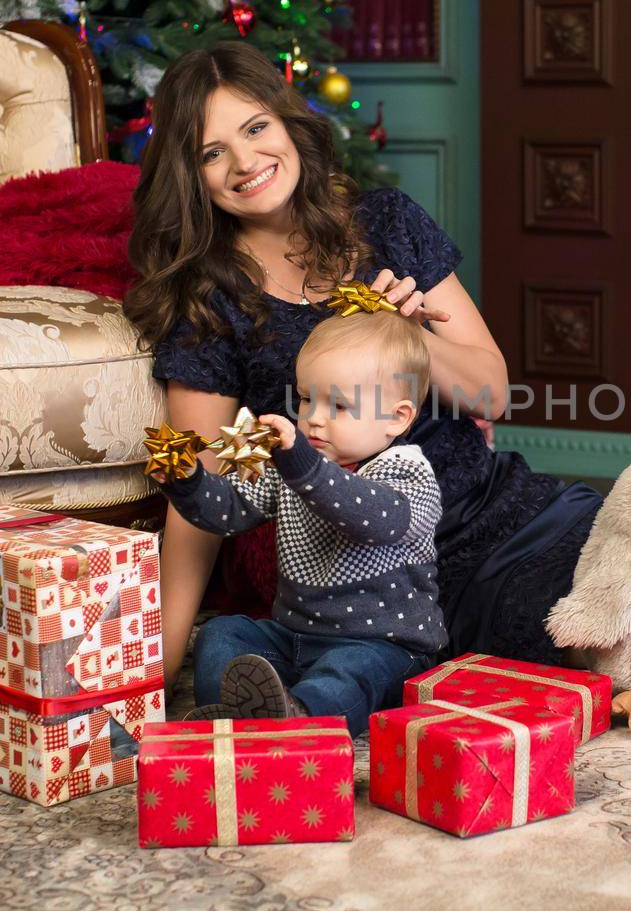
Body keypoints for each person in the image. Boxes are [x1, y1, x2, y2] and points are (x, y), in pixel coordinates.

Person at [123, 41, 601, 692]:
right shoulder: (212, 301)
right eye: (212, 152)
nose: (245, 161)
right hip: (384, 566)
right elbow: (204, 490)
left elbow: (492, 393)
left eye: (256, 127)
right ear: (191, 172)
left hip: (496, 500)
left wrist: (412, 337)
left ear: (289, 123)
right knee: (569, 633)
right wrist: (154, 671)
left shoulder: (386, 224)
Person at [156, 308, 444, 734]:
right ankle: (235, 713)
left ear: (397, 418)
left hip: (383, 644)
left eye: (339, 405)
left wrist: (302, 465)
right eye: (307, 399)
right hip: (293, 637)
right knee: (221, 633)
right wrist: (188, 481)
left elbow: (367, 518)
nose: (314, 417)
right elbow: (229, 510)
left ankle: (302, 718)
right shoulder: (296, 468)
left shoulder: (406, 474)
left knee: (352, 672)